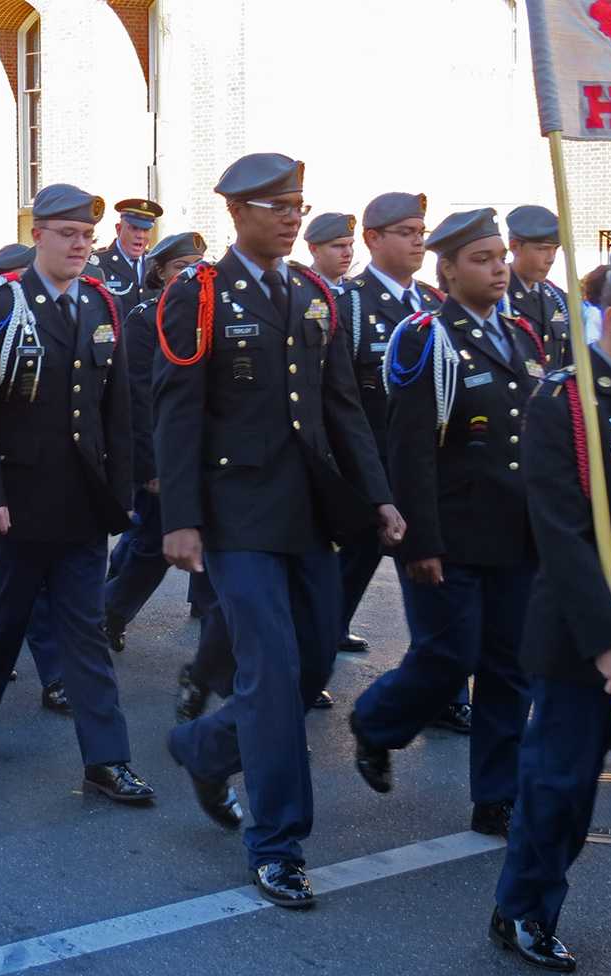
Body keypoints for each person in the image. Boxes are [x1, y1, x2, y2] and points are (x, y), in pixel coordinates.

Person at [157, 153, 401, 908]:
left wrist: (379, 496)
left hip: (308, 514)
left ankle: (204, 748)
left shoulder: (311, 294)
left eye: (297, 204)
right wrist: (182, 520)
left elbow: (341, 410)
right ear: (237, 213)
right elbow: (177, 410)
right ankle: (278, 844)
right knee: (267, 671)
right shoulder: (199, 293)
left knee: (308, 669)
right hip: (236, 515)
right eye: (276, 207)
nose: (292, 218)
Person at [488, 246, 611, 973]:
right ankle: (524, 909)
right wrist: (607, 639)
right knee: (559, 789)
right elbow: (560, 535)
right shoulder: (565, 401)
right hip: (580, 643)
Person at [0, 182, 154, 803]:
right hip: (16, 497)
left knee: (84, 629)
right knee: (0, 617)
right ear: (38, 236)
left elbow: (118, 413)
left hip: (81, 502)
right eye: (67, 234)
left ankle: (106, 759)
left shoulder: (99, 305)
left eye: (87, 236)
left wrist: (122, 492)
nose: (80, 245)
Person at [350, 208, 542, 840]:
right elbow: (409, 448)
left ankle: (496, 796)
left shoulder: (521, 335)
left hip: (515, 536)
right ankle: (377, 724)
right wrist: (419, 542)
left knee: (508, 668)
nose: (497, 268)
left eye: (500, 257)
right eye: (482, 259)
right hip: (449, 536)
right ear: (450, 269)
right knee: (446, 657)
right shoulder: (426, 336)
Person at [334, 193, 446, 659]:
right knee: (345, 579)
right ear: (373, 239)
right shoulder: (351, 305)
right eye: (406, 233)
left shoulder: (436, 305)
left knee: (434, 586)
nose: (418, 242)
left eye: (421, 232)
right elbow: (342, 400)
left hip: (422, 474)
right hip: (370, 471)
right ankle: (311, 668)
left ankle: (449, 693)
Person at [103, 232, 207, 652]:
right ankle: (110, 611)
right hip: (165, 454)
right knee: (151, 544)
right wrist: (150, 467)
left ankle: (215, 626)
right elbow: (138, 397)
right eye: (182, 267)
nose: (192, 274)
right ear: (161, 273)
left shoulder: (210, 313)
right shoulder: (146, 319)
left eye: (198, 265)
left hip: (208, 452)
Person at [504, 205, 572, 367]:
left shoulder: (557, 298)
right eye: (542, 249)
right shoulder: (496, 295)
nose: (551, 258)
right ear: (515, 247)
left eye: (555, 249)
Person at [94, 199, 162, 321]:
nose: (140, 235)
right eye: (134, 228)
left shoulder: (157, 263)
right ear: (118, 229)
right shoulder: (98, 264)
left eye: (145, 230)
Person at [305, 212, 354, 291]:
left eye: (351, 245)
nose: (348, 253)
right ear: (314, 250)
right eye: (339, 246)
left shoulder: (358, 290)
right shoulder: (297, 290)